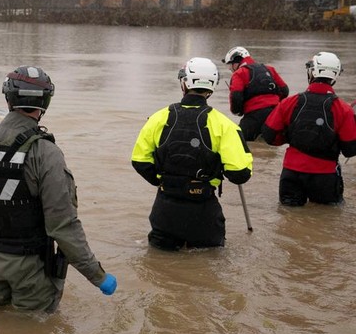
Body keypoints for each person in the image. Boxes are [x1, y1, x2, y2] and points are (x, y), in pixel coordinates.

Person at [0, 66, 117, 313]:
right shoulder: (45, 153)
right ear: (45, 102)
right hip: (32, 268)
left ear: (8, 98)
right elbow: (63, 225)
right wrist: (97, 276)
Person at [131, 58, 253, 250]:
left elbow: (139, 160)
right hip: (203, 210)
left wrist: (161, 180)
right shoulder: (225, 125)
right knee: (207, 269)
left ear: (184, 83)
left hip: (165, 209)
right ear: (212, 86)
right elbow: (240, 173)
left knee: (161, 268)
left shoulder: (157, 118)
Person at [262, 52, 356, 206]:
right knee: (326, 222)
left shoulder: (289, 102)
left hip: (291, 175)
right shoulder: (343, 109)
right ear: (335, 75)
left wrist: (291, 136)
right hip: (325, 178)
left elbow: (269, 135)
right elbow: (350, 150)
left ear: (312, 72)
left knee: (288, 221)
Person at [223, 46, 289, 141]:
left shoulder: (239, 73)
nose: (230, 69)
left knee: (236, 142)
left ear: (237, 60)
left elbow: (236, 97)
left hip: (254, 117)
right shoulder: (269, 69)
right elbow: (285, 91)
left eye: (230, 65)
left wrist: (237, 111)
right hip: (275, 115)